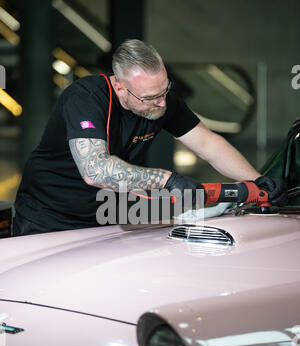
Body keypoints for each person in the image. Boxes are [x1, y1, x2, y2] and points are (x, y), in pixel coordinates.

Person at [13, 39, 287, 236]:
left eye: (164, 91)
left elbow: (207, 144)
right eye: (149, 97)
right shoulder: (85, 98)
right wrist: (168, 180)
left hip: (106, 217)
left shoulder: (161, 99)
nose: (161, 103)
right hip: (47, 219)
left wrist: (257, 181)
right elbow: (95, 170)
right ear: (120, 88)